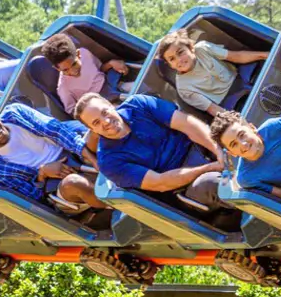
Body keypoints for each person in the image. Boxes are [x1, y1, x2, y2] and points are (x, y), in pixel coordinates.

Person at [73, 90, 236, 222]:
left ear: (110, 105)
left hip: (199, 148)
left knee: (233, 141)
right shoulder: (109, 161)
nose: (106, 121)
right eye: (96, 123)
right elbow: (160, 182)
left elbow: (187, 124)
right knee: (215, 182)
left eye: (105, 112)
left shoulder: (138, 104)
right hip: (184, 186)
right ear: (92, 131)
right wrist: (209, 167)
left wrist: (218, 151)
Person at [0, 99, 103, 215]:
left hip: (70, 149)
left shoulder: (15, 112)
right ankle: (119, 204)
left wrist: (90, 157)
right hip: (56, 185)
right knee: (74, 183)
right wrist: (42, 173)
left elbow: (55, 129)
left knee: (98, 132)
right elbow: (35, 199)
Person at [157, 29, 266, 113]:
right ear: (170, 65)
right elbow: (213, 109)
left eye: (180, 52)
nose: (179, 60)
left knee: (260, 73)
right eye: (172, 59)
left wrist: (265, 55)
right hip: (229, 102)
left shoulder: (203, 48)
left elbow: (236, 56)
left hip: (240, 78)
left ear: (191, 48)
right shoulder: (183, 87)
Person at [44, 32, 128, 118]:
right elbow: (73, 111)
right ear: (57, 69)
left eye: (74, 64)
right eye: (65, 70)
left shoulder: (85, 53)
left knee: (126, 79)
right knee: (118, 108)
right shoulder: (63, 87)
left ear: (78, 54)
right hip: (97, 100)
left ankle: (124, 89)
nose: (72, 71)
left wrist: (111, 63)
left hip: (107, 82)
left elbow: (100, 69)